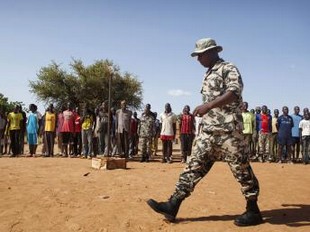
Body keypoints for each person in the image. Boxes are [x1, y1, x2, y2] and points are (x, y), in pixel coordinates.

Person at [147, 38, 262, 226]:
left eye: (200, 55)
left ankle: (253, 210)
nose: (198, 59)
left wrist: (208, 105)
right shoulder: (208, 73)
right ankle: (173, 204)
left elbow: (234, 92)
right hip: (209, 132)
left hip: (229, 132)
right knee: (193, 165)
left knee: (241, 169)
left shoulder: (228, 68)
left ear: (211, 52)